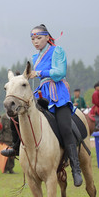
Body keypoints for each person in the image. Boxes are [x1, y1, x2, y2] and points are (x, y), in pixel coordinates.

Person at [25, 24, 82, 186]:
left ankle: (76, 169)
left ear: (47, 37)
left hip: (57, 93)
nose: (35, 42)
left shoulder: (57, 51)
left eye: (39, 38)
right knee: (25, 117)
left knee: (64, 127)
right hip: (42, 92)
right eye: (32, 39)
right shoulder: (35, 57)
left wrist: (39, 73)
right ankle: (16, 147)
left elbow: (59, 73)